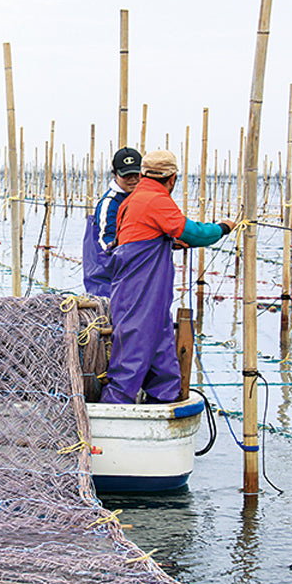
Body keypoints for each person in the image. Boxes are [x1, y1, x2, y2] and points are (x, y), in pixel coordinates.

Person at [101, 149, 235, 405]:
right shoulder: (155, 200)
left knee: (162, 352)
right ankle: (113, 414)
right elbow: (194, 233)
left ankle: (165, 401)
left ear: (142, 173)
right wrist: (223, 228)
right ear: (172, 178)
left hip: (149, 294)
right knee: (132, 351)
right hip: (140, 292)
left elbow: (143, 236)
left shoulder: (134, 199)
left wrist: (170, 243)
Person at [82, 147, 142, 297]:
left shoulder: (141, 198)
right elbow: (106, 241)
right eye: (127, 176)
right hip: (106, 278)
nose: (133, 180)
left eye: (136, 174)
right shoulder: (110, 203)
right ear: (115, 174)